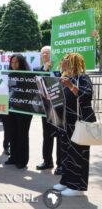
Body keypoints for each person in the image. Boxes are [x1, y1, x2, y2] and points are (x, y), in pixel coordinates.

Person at [53, 53, 96, 196]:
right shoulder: (67, 78)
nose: (62, 64)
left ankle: (77, 187)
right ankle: (66, 181)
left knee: (78, 154)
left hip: (79, 122)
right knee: (66, 153)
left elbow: (87, 96)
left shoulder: (82, 78)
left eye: (65, 61)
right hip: (66, 121)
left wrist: (71, 86)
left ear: (73, 63)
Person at [34, 46, 62, 175]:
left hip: (60, 107)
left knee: (60, 136)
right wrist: (45, 70)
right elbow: (36, 85)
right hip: (46, 108)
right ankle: (47, 161)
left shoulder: (60, 69)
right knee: (47, 135)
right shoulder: (38, 70)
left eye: (47, 53)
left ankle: (60, 164)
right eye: (43, 53)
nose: (45, 55)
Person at [4, 54, 33, 169]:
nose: (14, 65)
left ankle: (22, 160)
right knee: (12, 133)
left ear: (21, 63)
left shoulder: (28, 75)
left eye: (16, 62)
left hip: (24, 110)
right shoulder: (8, 75)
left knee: (22, 134)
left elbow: (31, 92)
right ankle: (13, 157)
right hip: (10, 108)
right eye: (12, 63)